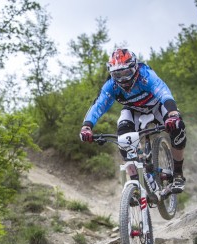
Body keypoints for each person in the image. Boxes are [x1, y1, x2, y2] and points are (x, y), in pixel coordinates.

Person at [80, 48, 186, 193]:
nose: (123, 79)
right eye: (118, 74)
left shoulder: (146, 75)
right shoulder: (111, 85)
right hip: (133, 111)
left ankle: (178, 174)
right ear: (112, 74)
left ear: (135, 67)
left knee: (178, 128)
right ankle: (136, 183)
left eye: (126, 73)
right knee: (123, 141)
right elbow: (98, 106)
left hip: (157, 106)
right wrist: (87, 127)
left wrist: (173, 114)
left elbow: (164, 93)